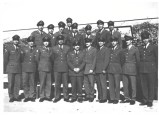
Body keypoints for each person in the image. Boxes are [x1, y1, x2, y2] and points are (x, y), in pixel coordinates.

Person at [139, 31, 158, 107]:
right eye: (143, 39)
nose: (145, 40)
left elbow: (157, 58)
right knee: (144, 85)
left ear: (149, 38)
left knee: (151, 85)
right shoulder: (140, 47)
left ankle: (150, 100)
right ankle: (145, 99)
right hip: (142, 69)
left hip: (151, 69)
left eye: (146, 38)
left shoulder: (154, 47)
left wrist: (156, 69)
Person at [121, 35, 140, 105]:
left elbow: (138, 60)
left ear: (131, 41)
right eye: (126, 41)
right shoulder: (124, 49)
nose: (127, 42)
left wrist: (137, 70)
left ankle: (133, 98)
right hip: (124, 68)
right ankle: (126, 98)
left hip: (132, 69)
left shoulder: (135, 49)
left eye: (128, 40)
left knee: (133, 85)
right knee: (125, 85)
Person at [4, 35, 22, 102]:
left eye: (17, 40)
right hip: (11, 68)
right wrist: (6, 68)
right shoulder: (8, 48)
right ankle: (11, 97)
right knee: (11, 83)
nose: (16, 41)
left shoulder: (20, 48)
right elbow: (5, 60)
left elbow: (22, 58)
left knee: (17, 83)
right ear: (12, 40)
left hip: (18, 68)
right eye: (15, 40)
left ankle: (16, 96)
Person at [52, 35, 70, 103]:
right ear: (57, 40)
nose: (60, 41)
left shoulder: (67, 48)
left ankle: (66, 96)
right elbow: (52, 58)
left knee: (65, 83)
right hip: (57, 68)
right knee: (57, 84)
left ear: (63, 40)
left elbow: (69, 58)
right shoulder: (54, 48)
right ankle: (57, 97)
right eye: (59, 40)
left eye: (62, 39)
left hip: (65, 68)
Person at [36, 36, 53, 102]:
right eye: (45, 42)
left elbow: (52, 59)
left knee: (49, 83)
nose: (46, 43)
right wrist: (40, 66)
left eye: (47, 42)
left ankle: (48, 96)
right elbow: (37, 59)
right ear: (43, 42)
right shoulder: (40, 49)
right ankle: (42, 96)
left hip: (49, 68)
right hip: (42, 68)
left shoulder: (51, 49)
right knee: (42, 83)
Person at [107, 37, 123, 104]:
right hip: (110, 69)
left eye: (114, 41)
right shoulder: (109, 49)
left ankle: (117, 98)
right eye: (112, 41)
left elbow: (122, 60)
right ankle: (112, 98)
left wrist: (119, 67)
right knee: (111, 84)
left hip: (117, 69)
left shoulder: (120, 50)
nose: (113, 42)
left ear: (117, 42)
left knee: (117, 84)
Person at [21, 36, 37, 102]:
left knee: (32, 82)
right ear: (28, 42)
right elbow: (21, 59)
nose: (31, 43)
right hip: (25, 68)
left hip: (33, 68)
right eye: (30, 42)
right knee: (25, 82)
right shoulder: (24, 49)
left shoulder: (36, 49)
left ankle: (32, 96)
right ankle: (26, 96)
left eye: (32, 41)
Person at [95, 37, 110, 103]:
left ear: (104, 42)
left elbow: (106, 60)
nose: (100, 43)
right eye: (99, 41)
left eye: (101, 41)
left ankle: (104, 98)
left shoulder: (106, 49)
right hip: (97, 69)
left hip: (102, 69)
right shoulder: (97, 50)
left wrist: (104, 68)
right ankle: (100, 97)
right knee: (98, 84)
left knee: (103, 84)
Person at [83, 37, 97, 102]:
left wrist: (92, 68)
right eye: (86, 42)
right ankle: (87, 95)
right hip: (85, 68)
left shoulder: (94, 50)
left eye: (88, 42)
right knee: (86, 83)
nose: (87, 43)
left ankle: (91, 96)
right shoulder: (84, 50)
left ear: (91, 43)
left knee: (91, 83)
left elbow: (95, 60)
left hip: (91, 68)